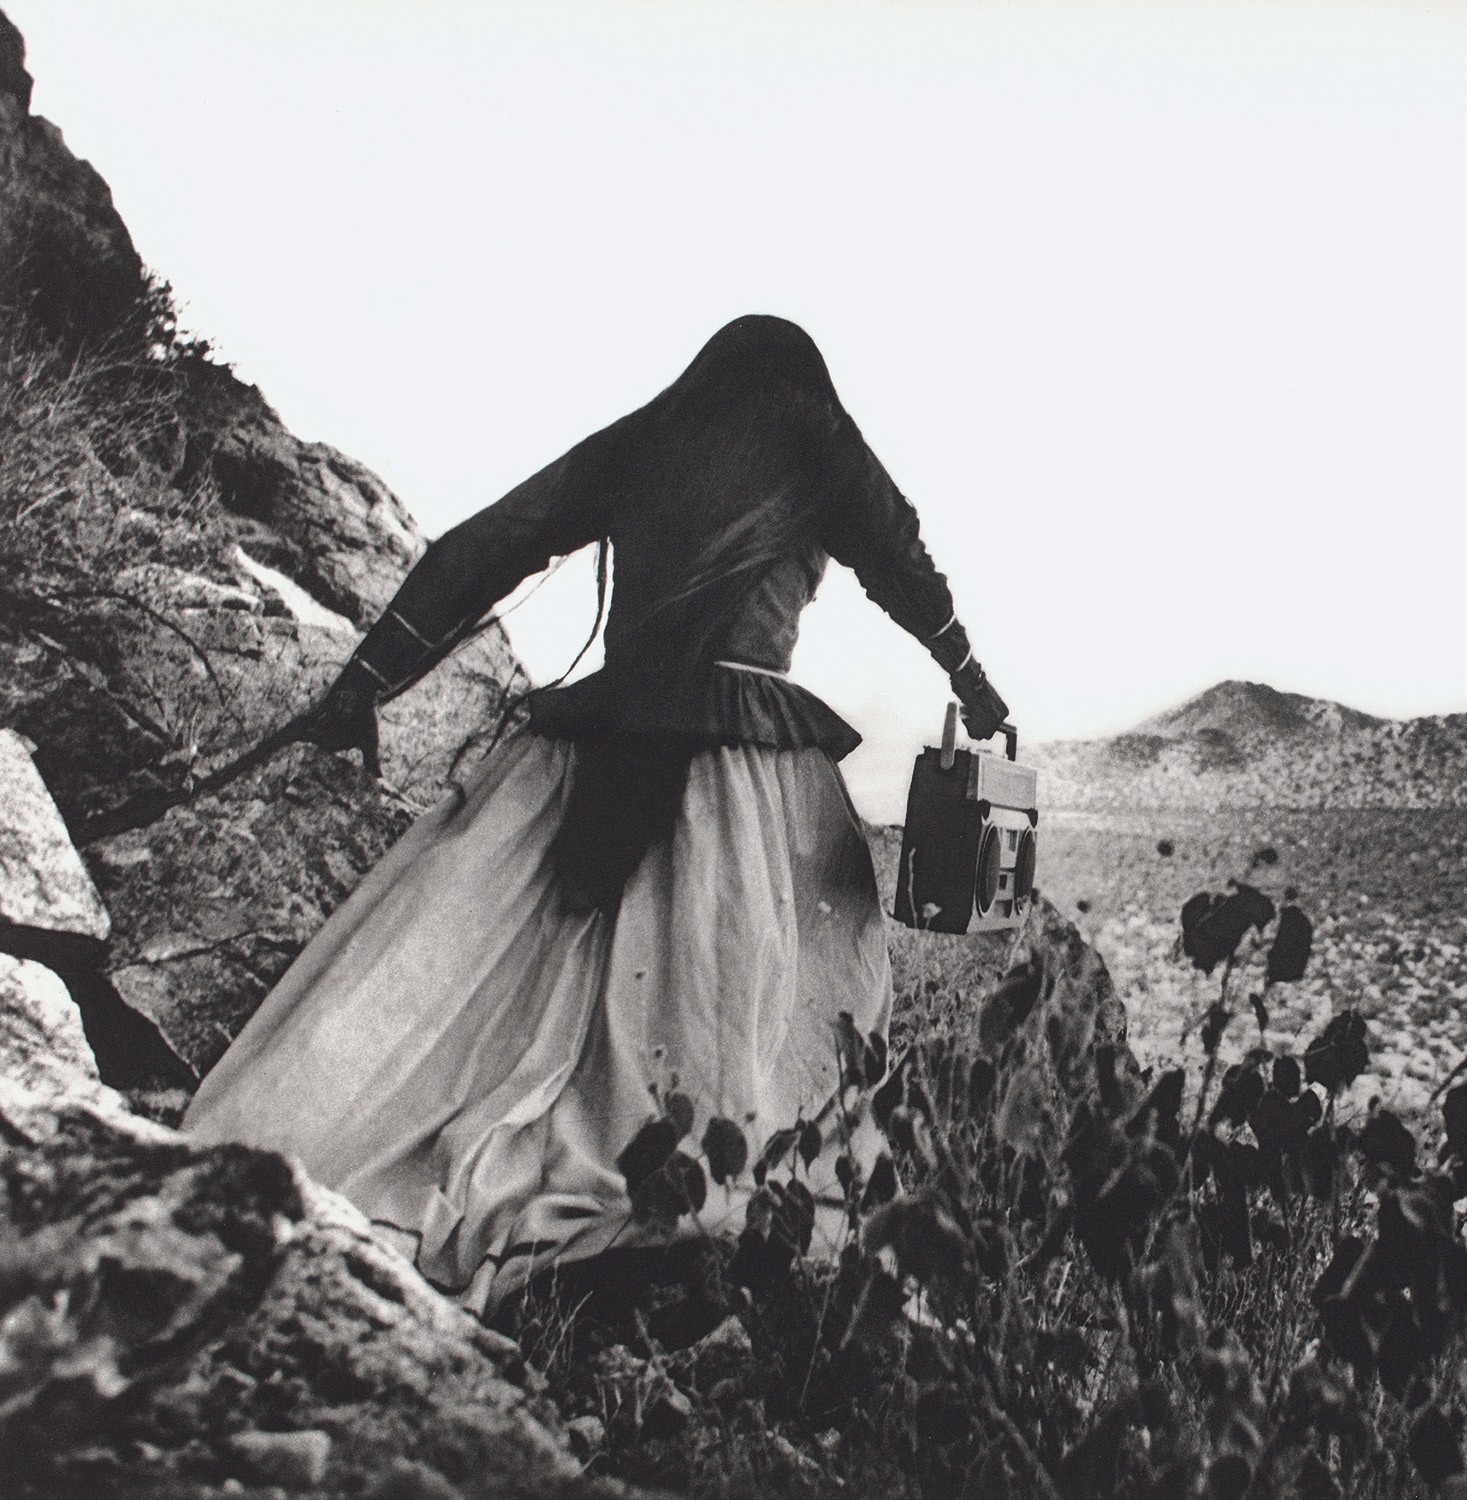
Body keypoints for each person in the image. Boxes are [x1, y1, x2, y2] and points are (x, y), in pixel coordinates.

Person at [182, 314, 1009, 1311]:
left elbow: (488, 544)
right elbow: (902, 563)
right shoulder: (819, 443)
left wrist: (369, 678)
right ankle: (695, 1199)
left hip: (600, 743)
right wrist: (971, 679)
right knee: (756, 987)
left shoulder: (648, 437)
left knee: (510, 965)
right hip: (742, 767)